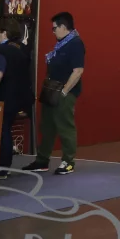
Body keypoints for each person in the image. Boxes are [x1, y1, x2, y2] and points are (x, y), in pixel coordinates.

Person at [26, 12, 85, 175]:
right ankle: (42, 160)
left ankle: (68, 161)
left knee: (65, 127)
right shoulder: (61, 44)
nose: (53, 32)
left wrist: (65, 91)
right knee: (47, 126)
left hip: (64, 92)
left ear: (63, 27)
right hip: (51, 90)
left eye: (54, 28)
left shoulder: (75, 44)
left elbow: (78, 71)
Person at [0, 17, 33, 176]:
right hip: (20, 97)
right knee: (7, 128)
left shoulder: (2, 50)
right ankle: (4, 166)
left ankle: (2, 168)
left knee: (2, 130)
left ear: (4, 33)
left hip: (4, 96)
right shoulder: (23, 48)